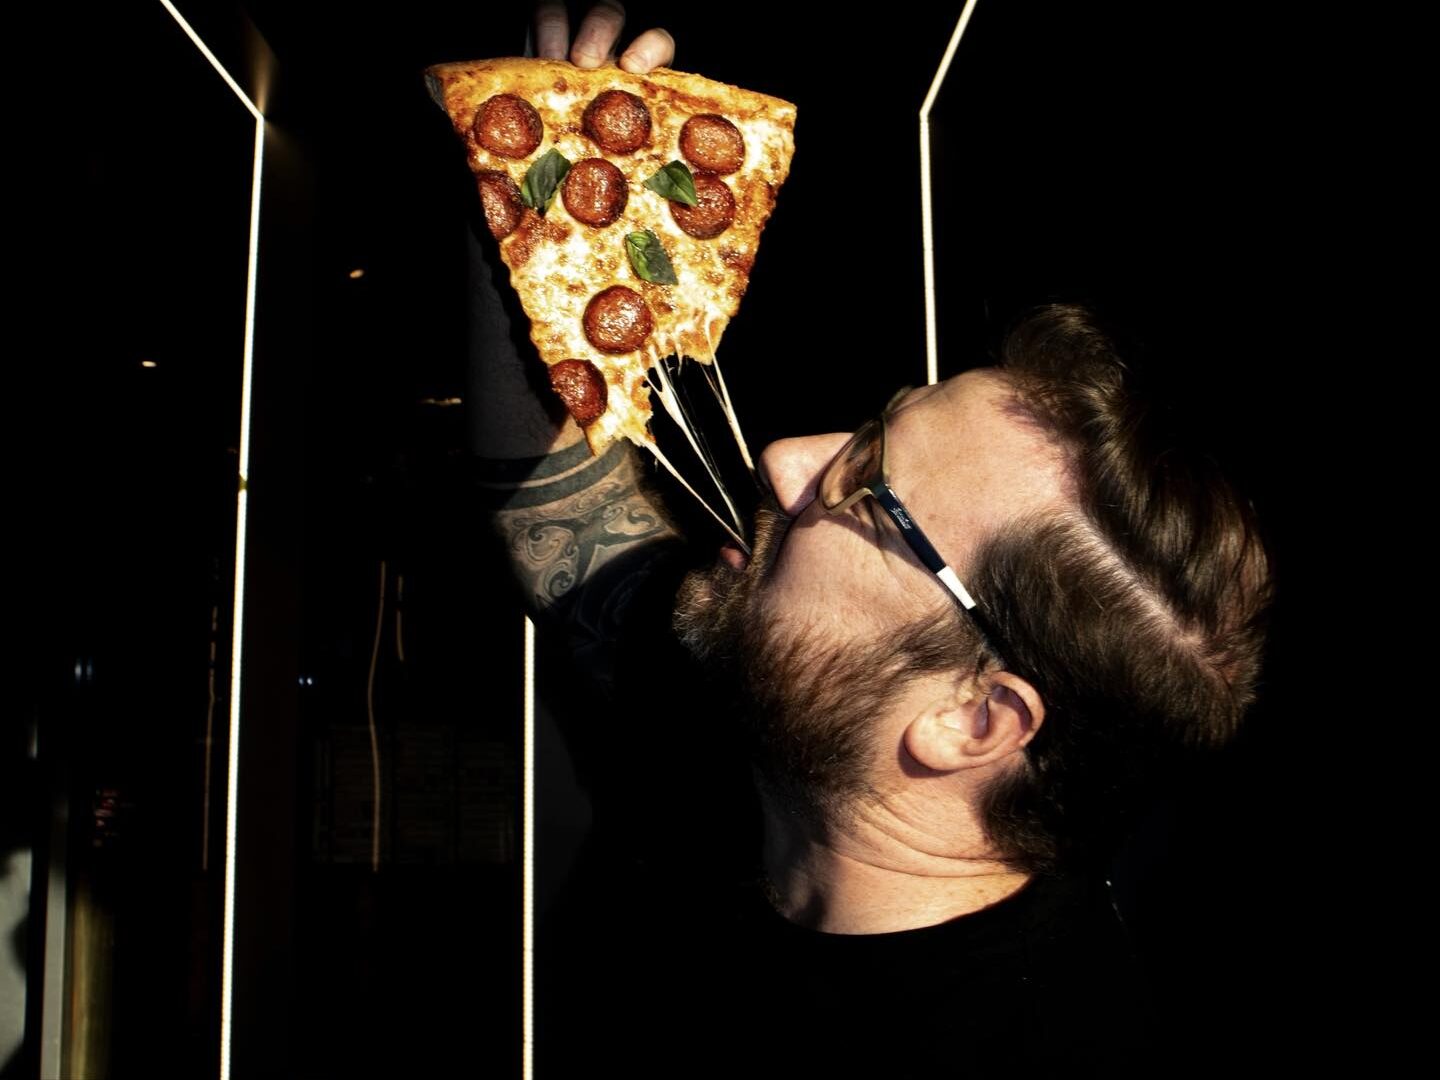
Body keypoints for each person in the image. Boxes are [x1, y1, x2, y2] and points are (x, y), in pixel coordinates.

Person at [468, 5, 1272, 1071]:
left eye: (865, 492)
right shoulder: (762, 729)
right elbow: (551, 503)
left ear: (974, 718)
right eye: (866, 432)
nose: (786, 458)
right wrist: (530, 196)